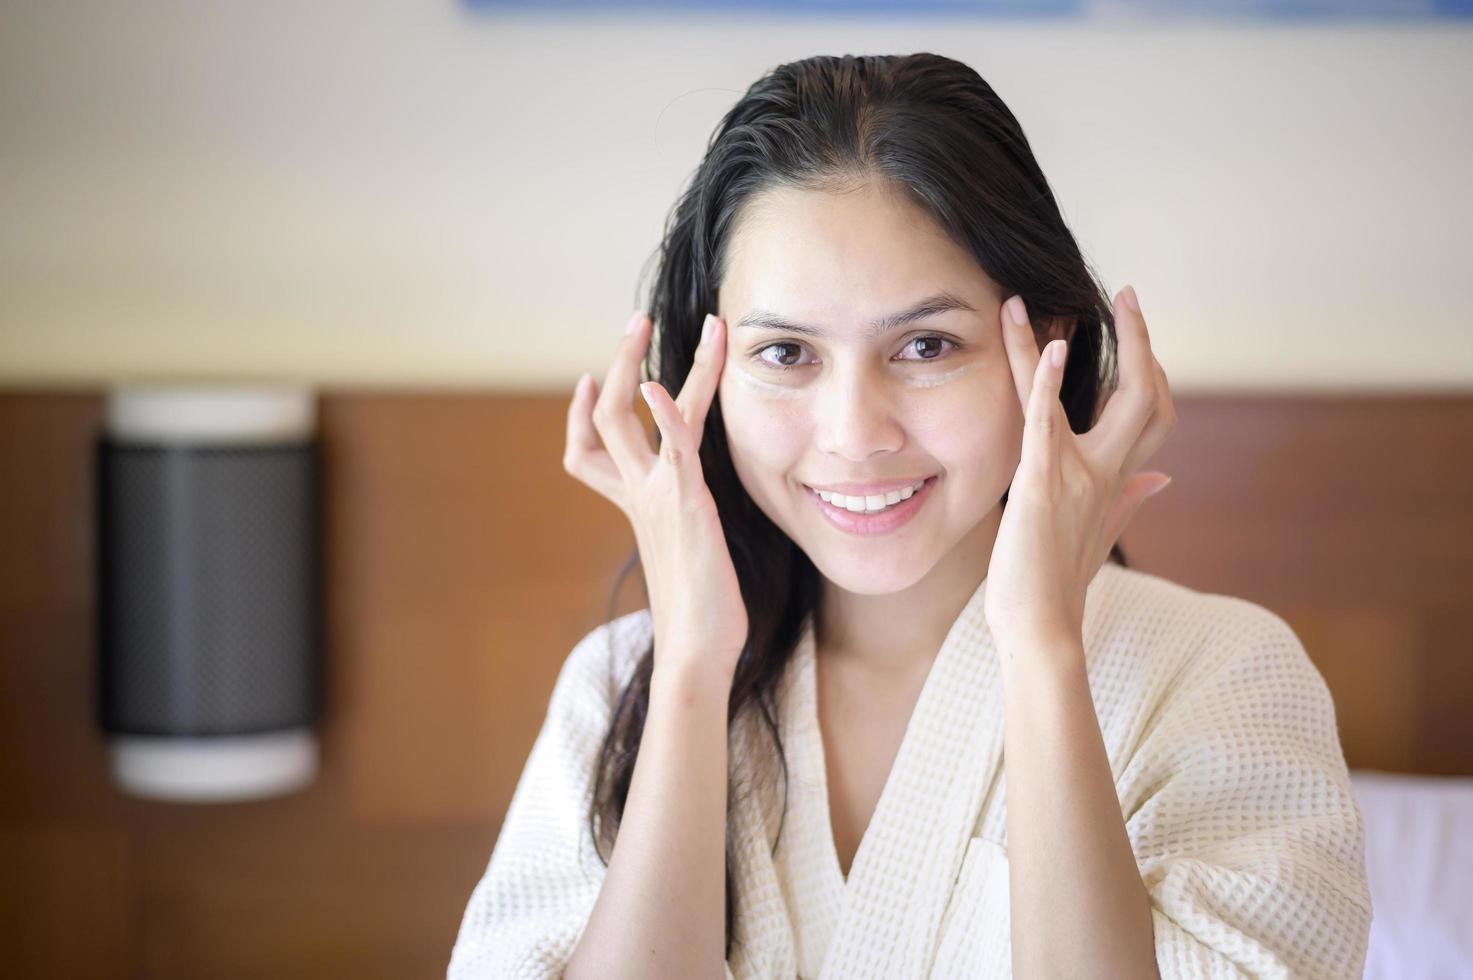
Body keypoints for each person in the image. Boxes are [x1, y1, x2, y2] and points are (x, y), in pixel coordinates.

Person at [448, 53, 1371, 979]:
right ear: (704, 377)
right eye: (784, 353)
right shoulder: (620, 688)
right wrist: (691, 666)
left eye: (925, 345)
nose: (854, 435)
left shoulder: (1224, 675)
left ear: (1044, 346)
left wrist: (1041, 650)